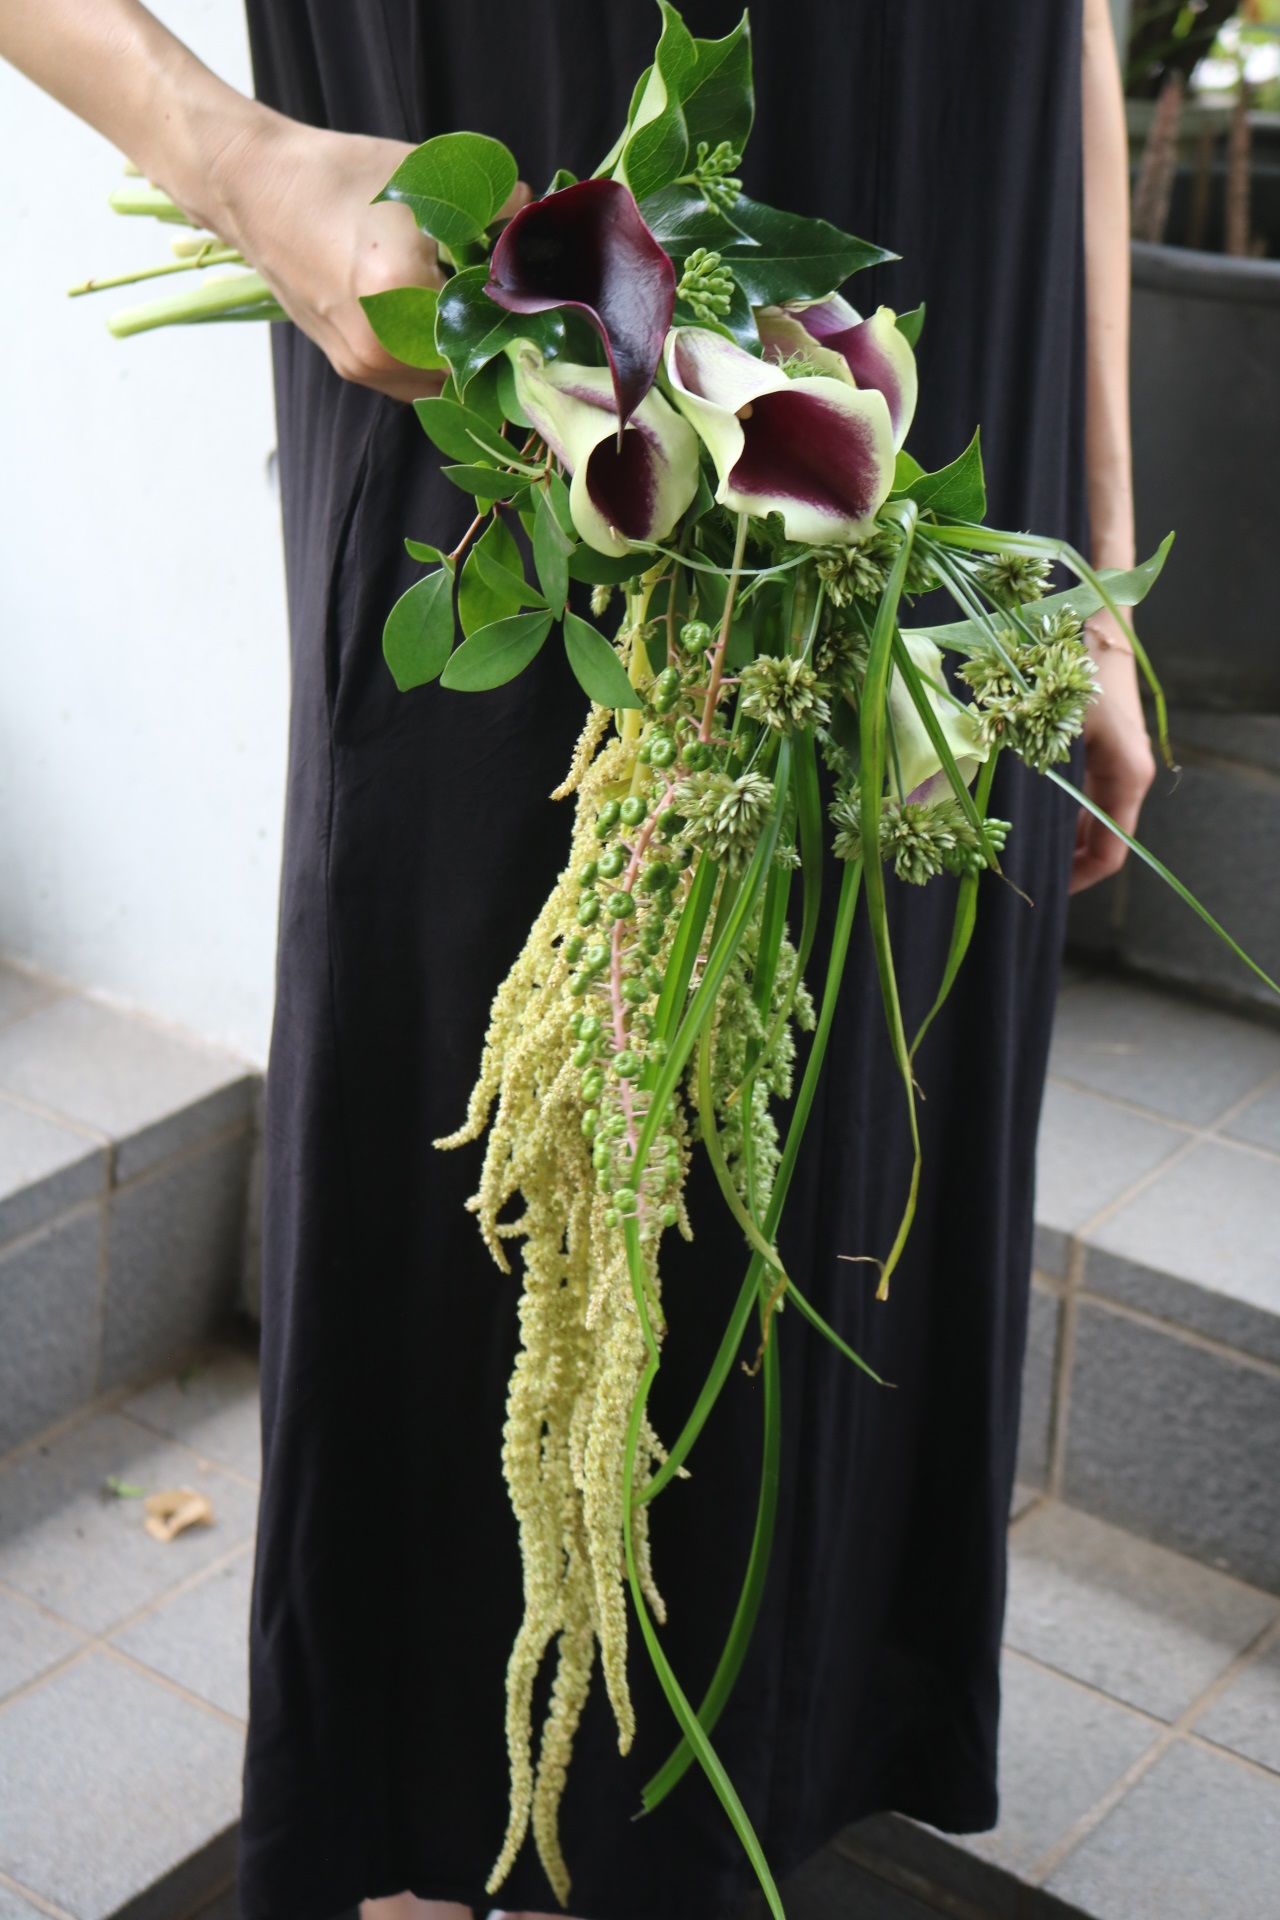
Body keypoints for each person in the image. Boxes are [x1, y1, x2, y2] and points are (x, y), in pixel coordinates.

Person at [0, 4, 1155, 1918]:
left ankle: (725, 1820)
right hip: (507, 321)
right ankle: (449, 1841)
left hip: (943, 347)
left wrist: (1094, 559)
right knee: (514, 1189)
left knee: (843, 1136)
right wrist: (233, 154)